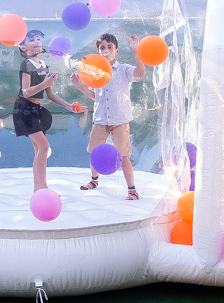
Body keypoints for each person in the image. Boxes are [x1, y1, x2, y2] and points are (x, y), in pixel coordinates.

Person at [70, 33, 145, 200]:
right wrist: (80, 86)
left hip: (120, 120)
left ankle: (132, 189)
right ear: (97, 51)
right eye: (102, 47)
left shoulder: (124, 69)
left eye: (109, 47)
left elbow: (140, 73)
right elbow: (96, 96)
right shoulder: (96, 73)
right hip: (101, 119)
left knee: (123, 156)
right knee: (95, 152)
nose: (106, 50)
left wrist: (135, 51)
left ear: (116, 50)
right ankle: (94, 180)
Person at [14, 29, 78, 193]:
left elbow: (50, 94)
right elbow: (25, 91)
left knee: (39, 149)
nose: (36, 42)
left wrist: (69, 106)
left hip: (36, 109)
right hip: (24, 109)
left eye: (38, 39)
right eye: (31, 39)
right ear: (23, 47)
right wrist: (45, 83)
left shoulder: (44, 66)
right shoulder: (26, 65)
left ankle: (38, 189)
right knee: (44, 147)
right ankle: (42, 188)